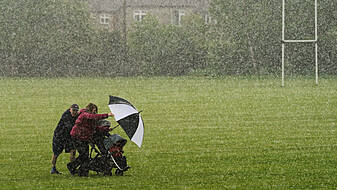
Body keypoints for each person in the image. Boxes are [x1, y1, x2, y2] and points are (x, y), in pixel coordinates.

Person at [67, 103, 114, 177]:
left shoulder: (91, 119)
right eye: (94, 110)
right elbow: (92, 116)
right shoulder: (85, 114)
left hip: (84, 138)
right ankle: (79, 171)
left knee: (85, 155)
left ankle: (77, 169)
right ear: (90, 109)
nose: (95, 112)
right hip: (77, 137)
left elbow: (95, 128)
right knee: (84, 155)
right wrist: (107, 115)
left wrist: (106, 129)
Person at [51, 104, 79, 174]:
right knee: (56, 153)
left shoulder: (76, 116)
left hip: (68, 137)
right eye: (73, 110)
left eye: (76, 111)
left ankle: (73, 168)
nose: (74, 112)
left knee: (73, 150)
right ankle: (53, 168)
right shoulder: (66, 116)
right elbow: (70, 127)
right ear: (70, 109)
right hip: (59, 136)